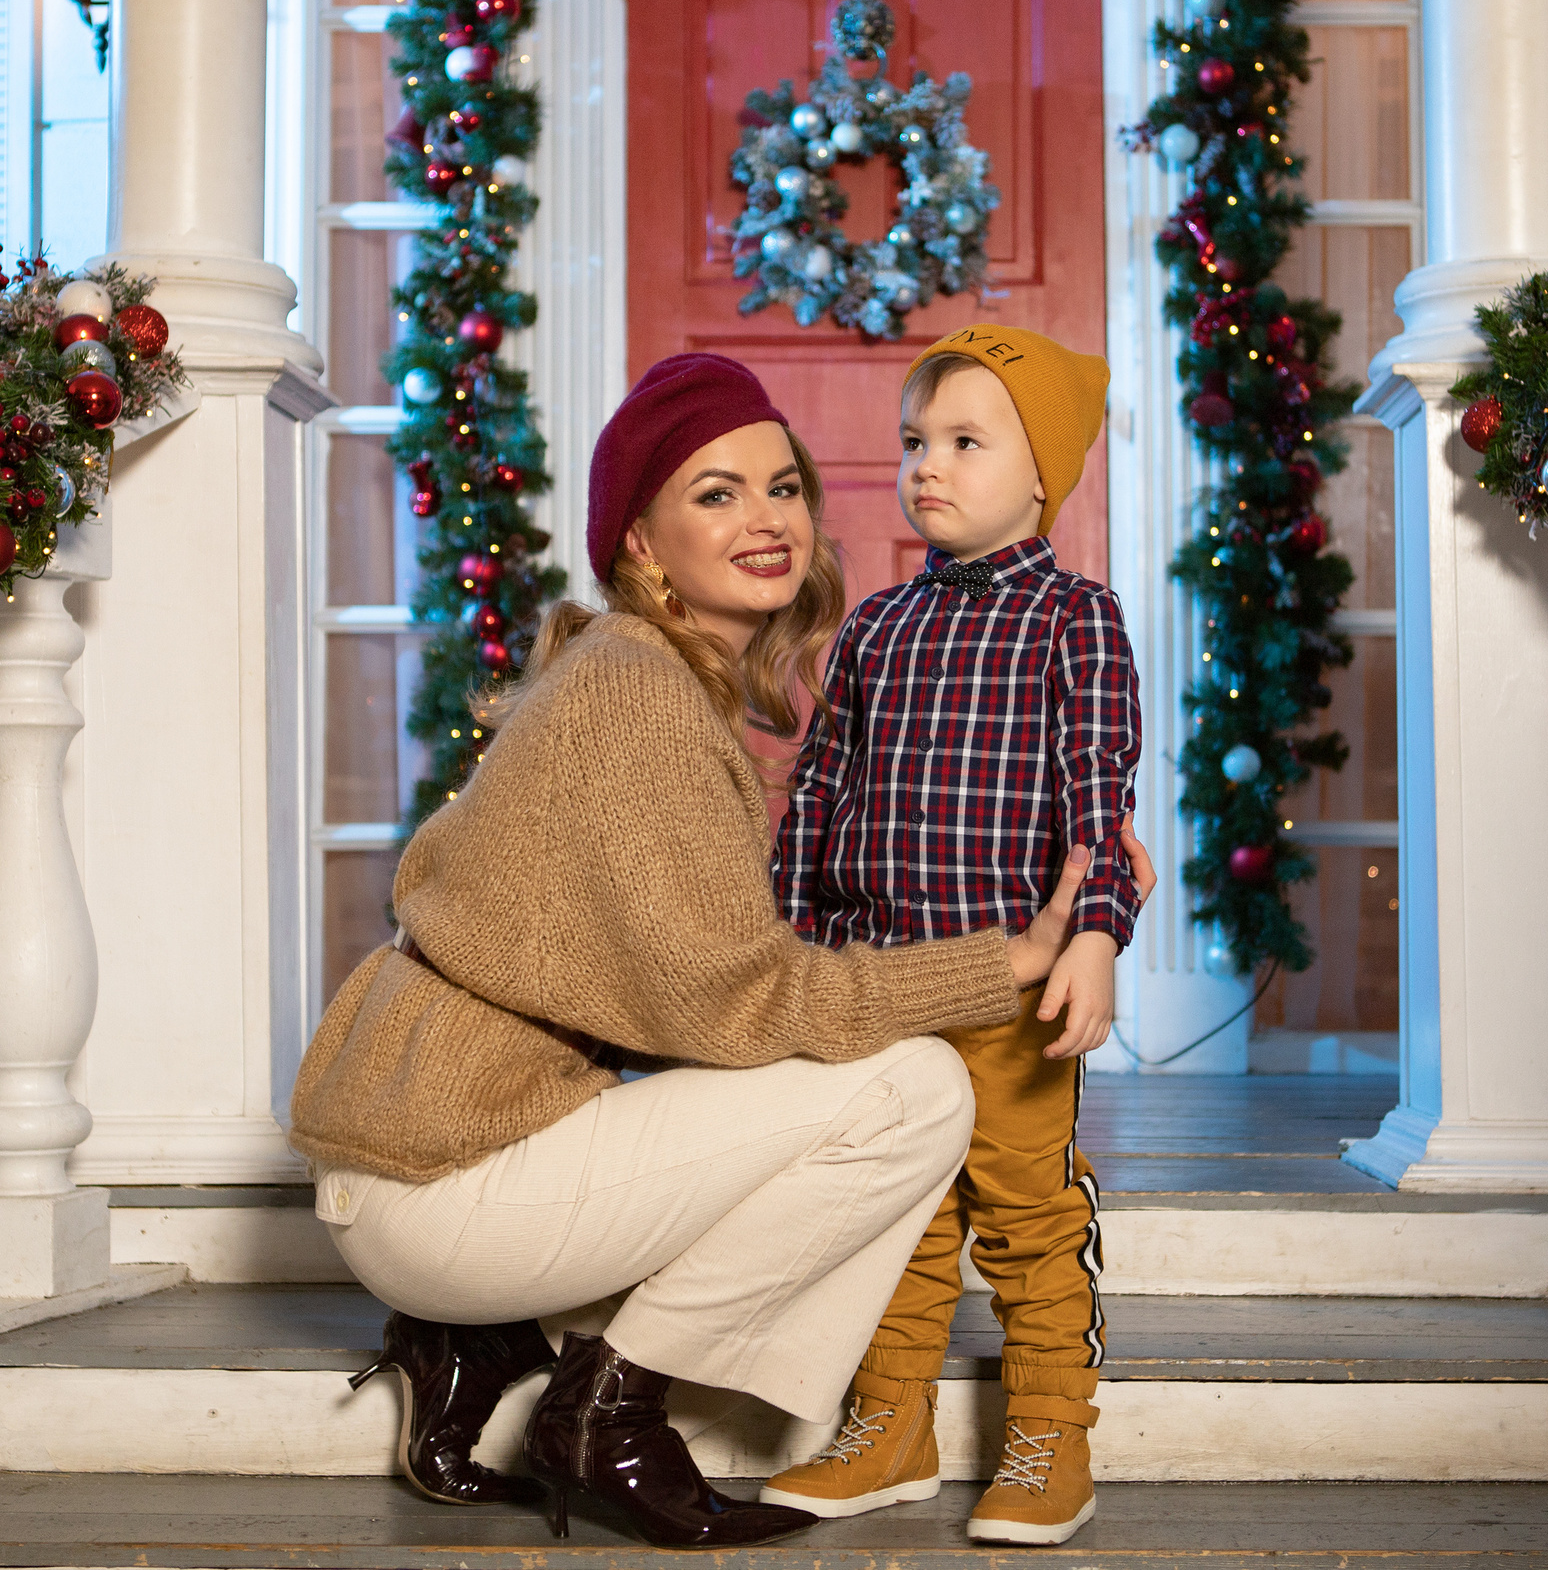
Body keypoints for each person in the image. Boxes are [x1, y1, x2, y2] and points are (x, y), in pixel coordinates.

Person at [287, 352, 1148, 1551]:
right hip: (442, 1171)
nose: (766, 517)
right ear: (640, 541)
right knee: (906, 1095)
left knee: (917, 1153)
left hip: (437, 1143)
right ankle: (604, 1413)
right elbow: (739, 990)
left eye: (782, 485)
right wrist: (992, 960)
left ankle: (489, 1341)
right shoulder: (645, 691)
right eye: (715, 493)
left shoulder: (650, 678)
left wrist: (1092, 902)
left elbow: (720, 941)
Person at [762, 326, 1138, 1546]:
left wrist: (1094, 937)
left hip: (1014, 993)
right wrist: (797, 940)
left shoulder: (1074, 618)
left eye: (965, 441)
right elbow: (819, 789)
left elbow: (1100, 794)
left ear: (1042, 473)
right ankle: (892, 1424)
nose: (929, 464)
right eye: (916, 441)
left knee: (1027, 1218)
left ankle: (1051, 1434)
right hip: (881, 984)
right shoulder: (874, 626)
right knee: (896, 1217)